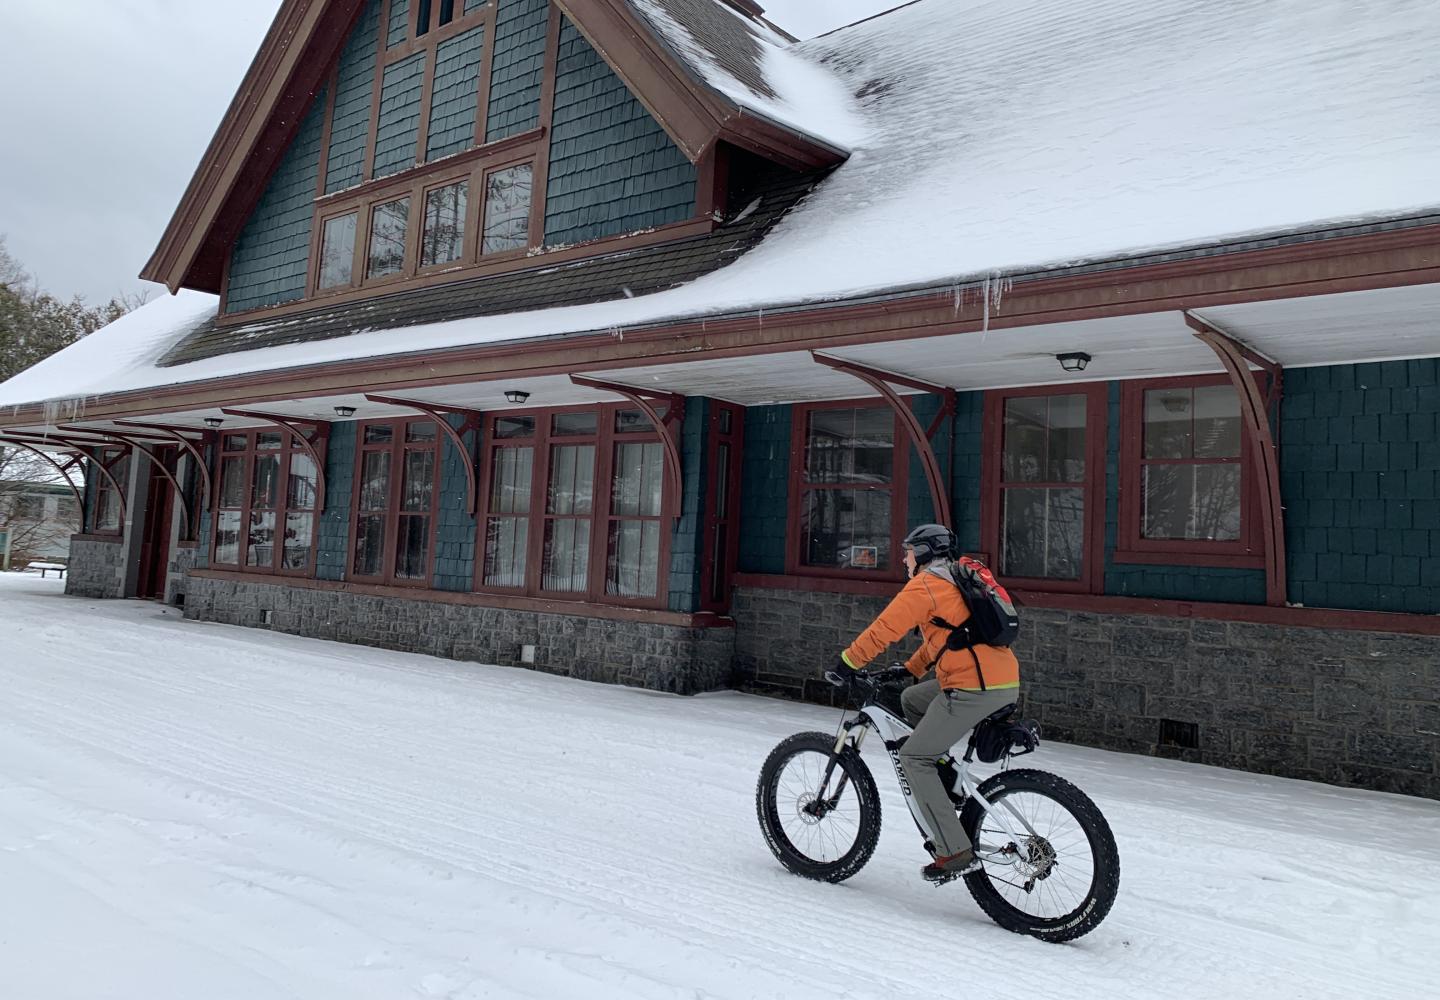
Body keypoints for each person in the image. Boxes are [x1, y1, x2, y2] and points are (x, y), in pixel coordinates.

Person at [832, 523, 1021, 881]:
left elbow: (884, 629)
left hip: (973, 687)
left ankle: (954, 851)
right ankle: (943, 776)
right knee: (912, 700)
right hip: (1000, 679)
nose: (903, 559)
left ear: (921, 553)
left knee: (912, 757)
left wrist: (848, 663)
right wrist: (909, 669)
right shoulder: (959, 577)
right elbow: (951, 637)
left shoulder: (925, 585)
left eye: (907, 551)